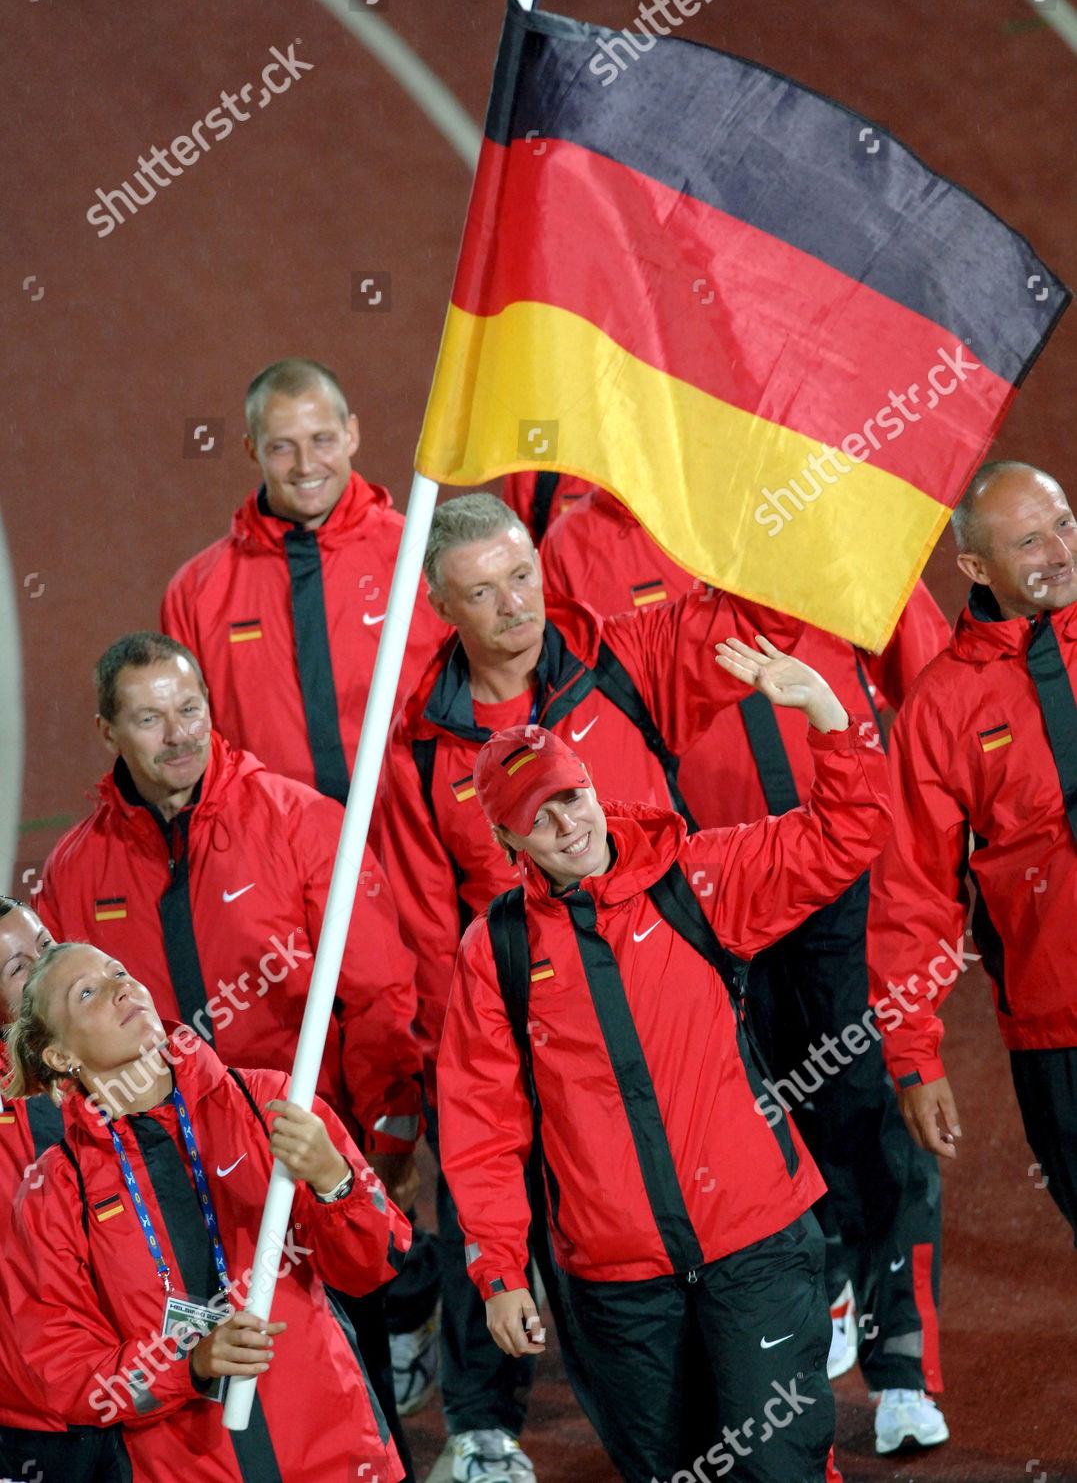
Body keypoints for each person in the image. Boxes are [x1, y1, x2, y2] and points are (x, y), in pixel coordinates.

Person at [375, 492, 801, 1482]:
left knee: (698, 1174)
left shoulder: (625, 656)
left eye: (522, 575)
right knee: (511, 1204)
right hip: (520, 1004)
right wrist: (461, 1054)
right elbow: (426, 908)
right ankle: (485, 1421)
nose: (514, 604)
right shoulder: (422, 746)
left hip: (667, 978)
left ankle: (774, 1332)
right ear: (443, 605)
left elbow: (759, 624)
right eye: (482, 592)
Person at [541, 486, 950, 1455]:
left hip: (835, 866)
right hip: (707, 890)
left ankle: (902, 1363)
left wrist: (936, 806)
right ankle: (821, 1293)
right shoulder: (574, 543)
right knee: (751, 1109)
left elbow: (916, 654)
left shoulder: (789, 491)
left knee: (871, 1109)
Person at [437, 631, 892, 1483]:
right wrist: (498, 1269)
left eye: (568, 796)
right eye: (536, 816)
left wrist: (829, 717)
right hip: (615, 1280)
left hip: (752, 1238)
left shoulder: (699, 879)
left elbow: (847, 833)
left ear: (593, 788)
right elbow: (481, 1125)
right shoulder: (492, 952)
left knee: (780, 1466)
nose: (564, 823)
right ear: (506, 846)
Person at [37, 631, 423, 1474]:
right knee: (200, 1417)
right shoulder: (76, 869)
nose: (178, 734)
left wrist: (374, 1151)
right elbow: (60, 1037)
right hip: (143, 1183)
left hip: (287, 1158)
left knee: (335, 1382)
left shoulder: (299, 822)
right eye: (148, 718)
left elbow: (378, 996)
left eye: (190, 709)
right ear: (109, 732)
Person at [5, 940, 411, 1482]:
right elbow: (68, 1377)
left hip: (337, 1451)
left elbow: (373, 1266)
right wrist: (188, 1366)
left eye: (119, 969)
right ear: (61, 1057)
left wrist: (333, 1180)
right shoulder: (57, 1189)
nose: (120, 986)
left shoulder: (268, 1101)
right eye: (88, 992)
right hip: (189, 1468)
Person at [868, 460, 1077, 1243]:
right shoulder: (940, 708)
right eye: (1029, 541)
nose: (1058, 551)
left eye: (1064, 524)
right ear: (974, 567)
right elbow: (911, 895)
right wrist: (913, 1055)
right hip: (1060, 1026)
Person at [161, 357, 445, 804]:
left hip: (416, 843)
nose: (306, 464)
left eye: (322, 440)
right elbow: (184, 744)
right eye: (282, 447)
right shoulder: (197, 592)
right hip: (275, 852)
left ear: (351, 433)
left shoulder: (424, 559)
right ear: (252, 449)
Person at [0, 900, 133, 1481]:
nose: (46, 963)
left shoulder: (119, 1059)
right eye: (16, 967)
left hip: (150, 1384)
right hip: (40, 1414)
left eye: (46, 941)